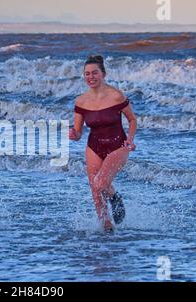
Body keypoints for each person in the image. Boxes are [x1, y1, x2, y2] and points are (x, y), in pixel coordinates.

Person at [69, 55, 137, 232]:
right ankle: (106, 227)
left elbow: (132, 120)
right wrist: (73, 134)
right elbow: (78, 133)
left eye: (94, 73)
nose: (90, 77)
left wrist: (130, 140)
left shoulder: (116, 96)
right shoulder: (81, 101)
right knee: (95, 191)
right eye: (87, 74)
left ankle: (115, 197)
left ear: (103, 74)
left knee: (100, 183)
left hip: (118, 145)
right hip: (94, 147)